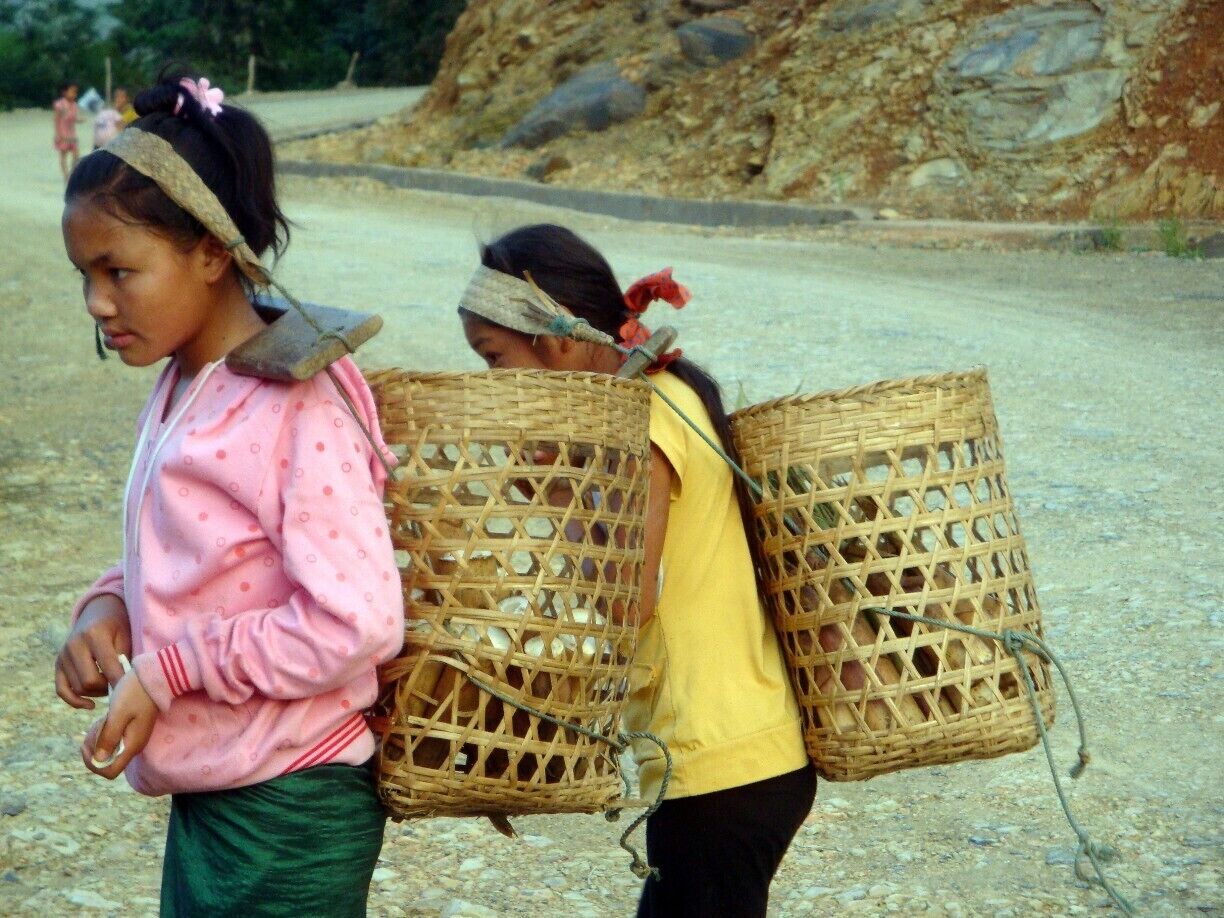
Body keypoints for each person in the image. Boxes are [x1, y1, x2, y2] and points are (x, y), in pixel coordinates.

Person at [55, 70, 404, 916]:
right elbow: (193, 546)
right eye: (85, 277)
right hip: (221, 793)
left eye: (119, 271)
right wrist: (107, 611)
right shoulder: (186, 379)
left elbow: (356, 622)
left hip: (291, 806)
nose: (99, 303)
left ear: (212, 252)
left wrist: (169, 671)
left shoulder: (295, 402)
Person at [458, 224, 816, 918]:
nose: (492, 381)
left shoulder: (643, 419)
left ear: (558, 339)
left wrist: (558, 497)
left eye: (495, 358)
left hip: (720, 766)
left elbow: (629, 602)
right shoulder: (668, 391)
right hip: (742, 759)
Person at [53, 81, 81, 180]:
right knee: (63, 155)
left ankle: (72, 173)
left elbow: (73, 118)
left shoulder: (74, 105)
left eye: (75, 92)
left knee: (76, 154)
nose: (74, 94)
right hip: (63, 133)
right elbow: (56, 120)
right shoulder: (59, 105)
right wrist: (58, 134)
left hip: (72, 133)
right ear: (64, 92)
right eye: (72, 92)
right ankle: (66, 176)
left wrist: (79, 120)